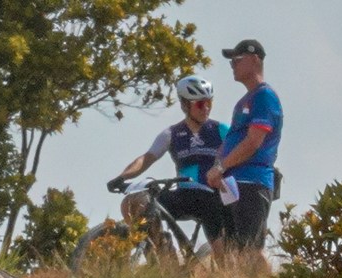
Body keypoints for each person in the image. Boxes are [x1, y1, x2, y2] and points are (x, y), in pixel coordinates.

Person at [106, 77, 234, 246]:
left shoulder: (221, 130)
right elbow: (147, 158)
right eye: (200, 104)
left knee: (222, 252)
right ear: (184, 105)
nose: (207, 108)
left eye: (210, 102)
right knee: (134, 203)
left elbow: (240, 154)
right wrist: (123, 177)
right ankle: (163, 251)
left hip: (213, 197)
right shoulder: (171, 134)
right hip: (185, 196)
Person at [213, 38, 283, 255]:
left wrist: (221, 166)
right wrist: (217, 166)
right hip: (233, 184)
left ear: (254, 60)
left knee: (249, 250)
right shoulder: (244, 100)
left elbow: (253, 142)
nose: (232, 65)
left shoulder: (264, 96)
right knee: (233, 248)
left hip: (252, 182)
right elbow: (232, 139)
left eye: (236, 60)